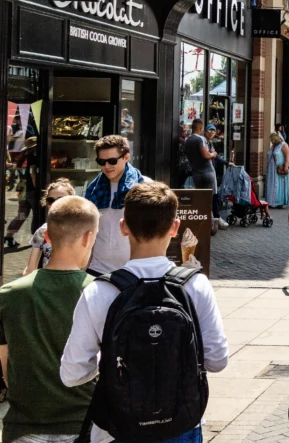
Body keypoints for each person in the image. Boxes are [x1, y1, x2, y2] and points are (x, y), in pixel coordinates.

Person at [61, 182, 229, 443]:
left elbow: (72, 375)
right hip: (181, 425)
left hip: (116, 428)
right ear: (174, 228)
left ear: (123, 226)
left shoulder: (101, 291)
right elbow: (217, 360)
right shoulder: (195, 285)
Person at [1, 196, 99, 443]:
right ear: (89, 238)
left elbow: (5, 363)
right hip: (85, 422)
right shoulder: (101, 293)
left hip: (23, 424)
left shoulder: (8, 295)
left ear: (46, 236)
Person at [84, 134, 148, 275]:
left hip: (133, 269)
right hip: (97, 268)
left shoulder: (144, 186)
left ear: (126, 157)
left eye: (112, 161)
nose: (107, 166)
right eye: (101, 162)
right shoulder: (93, 189)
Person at [22, 178, 76, 274]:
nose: (55, 204)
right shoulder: (43, 231)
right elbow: (30, 269)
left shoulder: (81, 228)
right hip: (48, 284)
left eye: (61, 199)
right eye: (50, 200)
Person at [184, 119, 218, 193]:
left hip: (196, 173)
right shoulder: (201, 139)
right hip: (207, 172)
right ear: (201, 128)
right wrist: (213, 154)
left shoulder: (187, 140)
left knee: (199, 197)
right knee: (209, 199)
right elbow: (206, 155)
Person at [265, 132, 289, 208]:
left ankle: (279, 202)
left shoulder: (284, 145)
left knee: (279, 185)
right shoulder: (274, 146)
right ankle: (271, 201)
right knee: (271, 184)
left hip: (279, 168)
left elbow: (287, 157)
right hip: (271, 169)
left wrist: (286, 167)